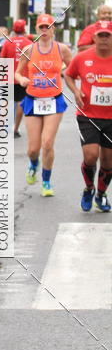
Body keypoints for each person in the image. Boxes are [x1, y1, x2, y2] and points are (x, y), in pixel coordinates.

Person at [15, 14, 73, 196]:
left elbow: (72, 71)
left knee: (47, 143)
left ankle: (46, 182)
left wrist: (80, 91)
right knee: (33, 149)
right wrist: (22, 78)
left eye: (48, 27)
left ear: (53, 28)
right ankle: (33, 163)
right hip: (33, 100)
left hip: (54, 101)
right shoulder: (29, 50)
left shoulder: (62, 49)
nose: (44, 30)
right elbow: (16, 73)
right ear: (36, 29)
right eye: (41, 27)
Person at [64, 19, 112, 212]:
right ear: (94, 38)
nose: (104, 39)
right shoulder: (83, 57)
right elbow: (68, 74)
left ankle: (101, 194)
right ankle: (89, 188)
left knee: (108, 161)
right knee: (91, 155)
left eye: (107, 35)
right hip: (88, 115)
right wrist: (75, 91)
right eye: (100, 36)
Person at [0, 19, 33, 138]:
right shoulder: (29, 43)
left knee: (5, 102)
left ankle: (2, 128)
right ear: (24, 29)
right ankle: (15, 129)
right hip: (23, 78)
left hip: (7, 76)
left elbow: (2, 60)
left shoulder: (7, 42)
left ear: (13, 29)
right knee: (20, 102)